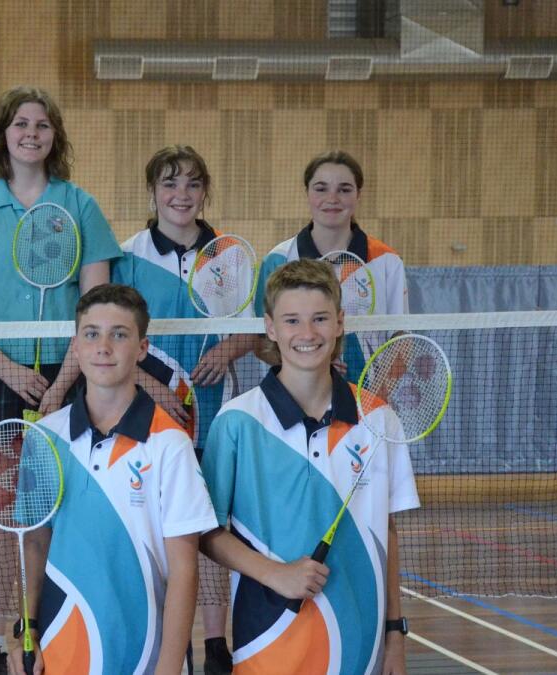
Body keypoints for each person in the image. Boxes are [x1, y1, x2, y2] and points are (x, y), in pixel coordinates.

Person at [0, 85, 120, 673]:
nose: (31, 133)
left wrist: (63, 382)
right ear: (3, 135)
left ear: (54, 137)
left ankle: (45, 626)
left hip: (71, 372)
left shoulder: (81, 207)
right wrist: (10, 370)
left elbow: (97, 308)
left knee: (55, 505)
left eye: (42, 124)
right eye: (20, 123)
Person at [201, 259, 418, 674]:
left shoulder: (378, 418)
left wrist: (395, 634)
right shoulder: (236, 421)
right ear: (270, 328)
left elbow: (387, 534)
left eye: (320, 319)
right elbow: (206, 533)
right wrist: (275, 574)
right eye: (292, 320)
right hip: (268, 642)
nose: (306, 334)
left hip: (360, 644)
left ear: (339, 323)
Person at [9, 283, 218, 675]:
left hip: (145, 656)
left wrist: (169, 666)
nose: (103, 346)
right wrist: (27, 627)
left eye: (119, 334)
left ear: (141, 349)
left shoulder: (170, 443)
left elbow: (186, 568)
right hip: (62, 651)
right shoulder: (45, 440)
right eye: (92, 334)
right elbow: (34, 543)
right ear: (76, 346)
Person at [110, 145, 246, 674]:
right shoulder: (129, 255)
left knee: (208, 532)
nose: (181, 194)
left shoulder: (231, 257)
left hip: (216, 415)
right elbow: (119, 333)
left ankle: (215, 643)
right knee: (158, 533)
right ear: (153, 193)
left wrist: (228, 348)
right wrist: (150, 385)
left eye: (192, 184)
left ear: (204, 191)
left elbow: (259, 334)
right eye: (170, 183)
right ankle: (169, 641)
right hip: (151, 419)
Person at [253, 150, 408, 381]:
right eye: (321, 188)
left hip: (367, 396)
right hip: (296, 395)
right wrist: (313, 363)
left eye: (344, 189)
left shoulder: (386, 261)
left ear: (358, 195)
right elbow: (260, 341)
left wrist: (378, 395)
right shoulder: (278, 259)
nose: (332, 199)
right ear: (307, 193)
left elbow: (401, 340)